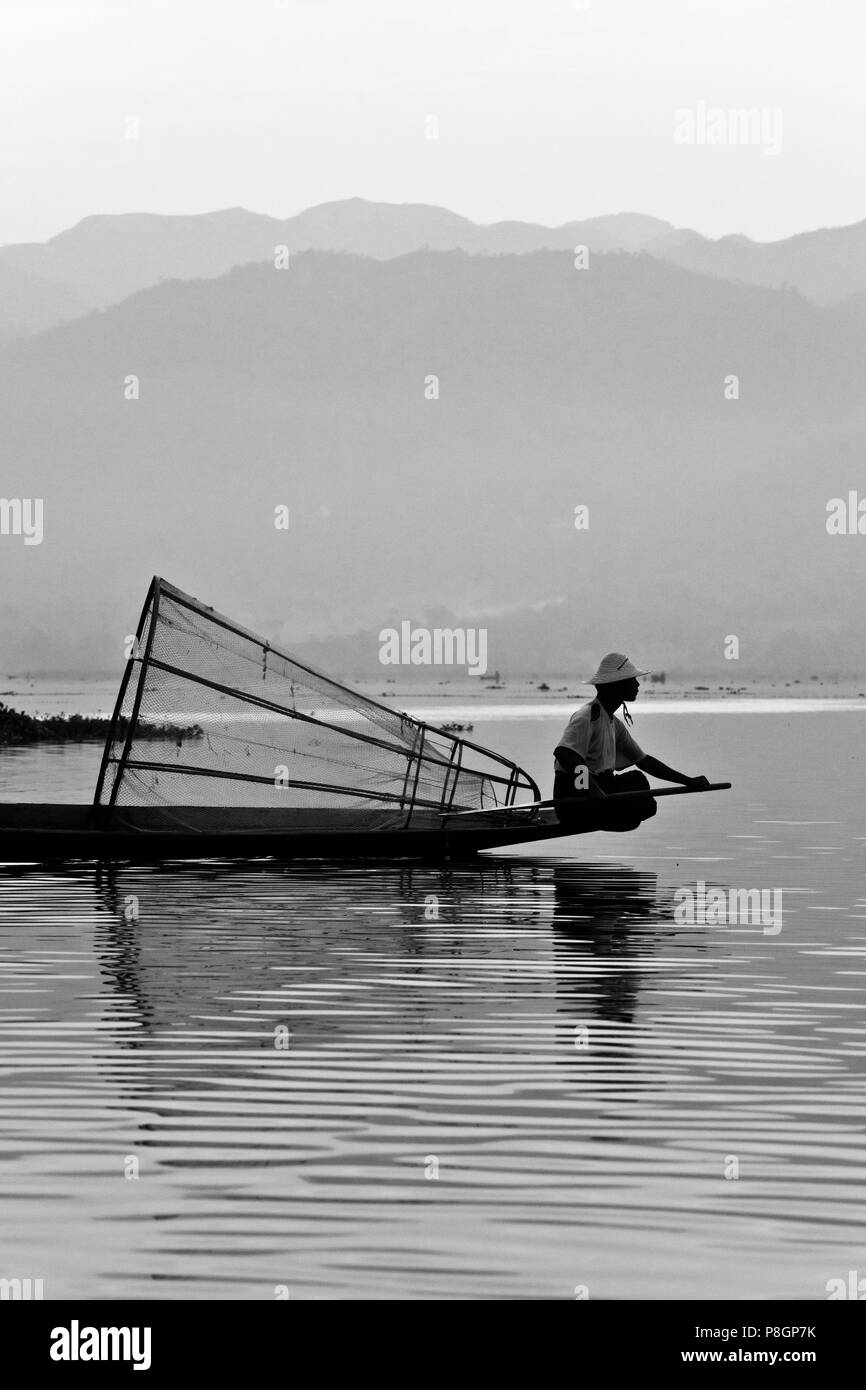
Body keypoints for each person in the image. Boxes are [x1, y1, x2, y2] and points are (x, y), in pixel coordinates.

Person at [553, 653, 710, 832]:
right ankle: (604, 812)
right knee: (639, 798)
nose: (637, 685)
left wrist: (688, 781)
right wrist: (593, 789)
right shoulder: (587, 716)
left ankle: (610, 812)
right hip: (574, 797)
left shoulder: (613, 723)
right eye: (632, 680)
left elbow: (643, 761)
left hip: (597, 790)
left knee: (641, 791)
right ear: (617, 685)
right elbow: (565, 754)